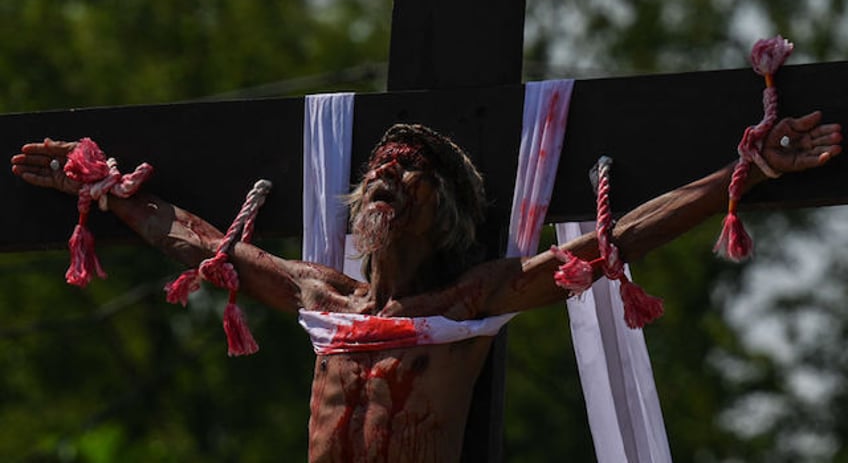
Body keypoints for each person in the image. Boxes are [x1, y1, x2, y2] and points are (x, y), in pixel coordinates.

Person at [11, 114, 842, 462]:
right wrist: (101, 188)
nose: (387, 174)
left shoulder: (470, 299)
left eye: (410, 171)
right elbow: (194, 237)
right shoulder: (322, 296)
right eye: (379, 165)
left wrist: (748, 168)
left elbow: (616, 239)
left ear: (442, 209)